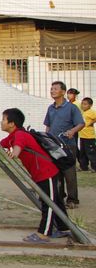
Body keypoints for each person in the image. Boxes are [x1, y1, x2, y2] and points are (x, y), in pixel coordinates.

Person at [0, 108, 67, 242]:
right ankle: (64, 228)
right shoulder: (12, 136)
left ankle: (43, 234)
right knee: (55, 201)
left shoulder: (20, 134)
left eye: (3, 119)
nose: (1, 122)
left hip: (46, 172)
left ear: (12, 124)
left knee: (49, 203)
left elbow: (18, 148)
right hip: (39, 173)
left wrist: (14, 154)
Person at [45, 81, 84, 209]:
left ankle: (73, 200)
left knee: (69, 173)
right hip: (54, 145)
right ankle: (59, 197)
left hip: (68, 145)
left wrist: (72, 131)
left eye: (55, 89)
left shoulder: (72, 108)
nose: (52, 91)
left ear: (63, 92)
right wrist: (46, 139)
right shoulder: (50, 108)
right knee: (56, 172)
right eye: (51, 89)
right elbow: (48, 126)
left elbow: (81, 123)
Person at [78, 97, 96, 173]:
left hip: (89, 137)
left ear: (90, 105)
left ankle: (94, 167)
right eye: (82, 104)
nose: (83, 105)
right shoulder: (83, 112)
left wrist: (91, 123)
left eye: (85, 104)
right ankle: (83, 167)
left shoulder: (91, 112)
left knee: (91, 153)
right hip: (82, 136)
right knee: (83, 153)